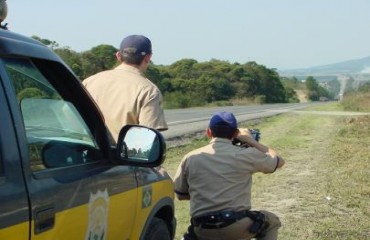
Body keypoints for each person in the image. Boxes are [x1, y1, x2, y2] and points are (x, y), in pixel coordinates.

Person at [173, 111, 285, 240]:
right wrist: (250, 140)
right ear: (236, 133)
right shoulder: (246, 154)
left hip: (202, 228)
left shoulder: (190, 157)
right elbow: (279, 161)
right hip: (236, 226)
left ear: (208, 132)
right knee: (272, 221)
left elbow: (180, 195)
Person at [83, 34, 168, 142]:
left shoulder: (89, 81)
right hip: (121, 158)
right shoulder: (148, 90)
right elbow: (147, 138)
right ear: (148, 57)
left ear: (118, 56)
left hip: (86, 155)